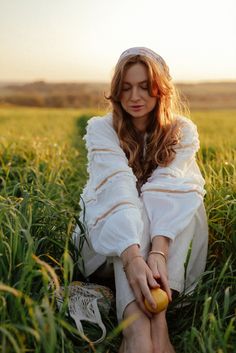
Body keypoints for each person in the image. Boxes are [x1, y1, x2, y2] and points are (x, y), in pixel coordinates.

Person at [73, 47, 208, 353]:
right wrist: (134, 258)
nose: (135, 96)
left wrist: (157, 253)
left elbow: (169, 195)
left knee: (180, 197)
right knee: (131, 203)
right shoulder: (101, 128)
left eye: (145, 87)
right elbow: (116, 192)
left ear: (161, 89)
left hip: (167, 249)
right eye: (126, 87)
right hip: (108, 249)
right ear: (116, 91)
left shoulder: (181, 131)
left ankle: (156, 322)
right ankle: (136, 325)